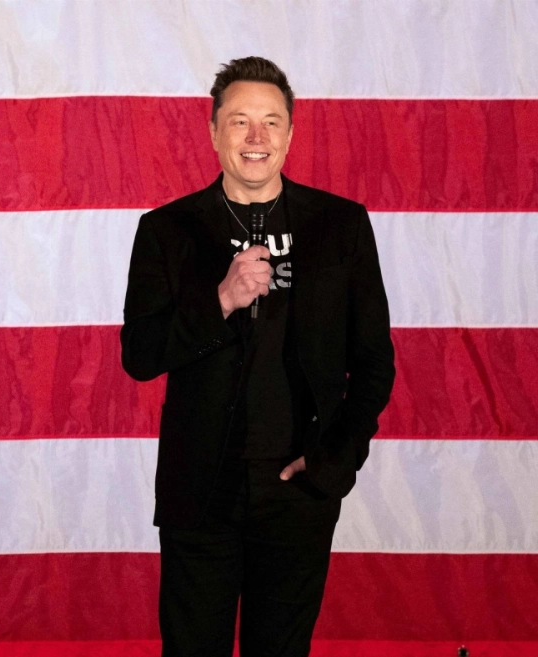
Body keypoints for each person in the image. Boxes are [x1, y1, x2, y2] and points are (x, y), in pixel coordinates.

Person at [120, 57, 396, 656]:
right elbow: (139, 355)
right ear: (213, 130)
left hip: (298, 490)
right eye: (240, 121)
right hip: (201, 491)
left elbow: (375, 363)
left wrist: (333, 463)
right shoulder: (167, 230)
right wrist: (219, 300)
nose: (256, 138)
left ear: (291, 134)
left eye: (270, 122)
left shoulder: (341, 226)